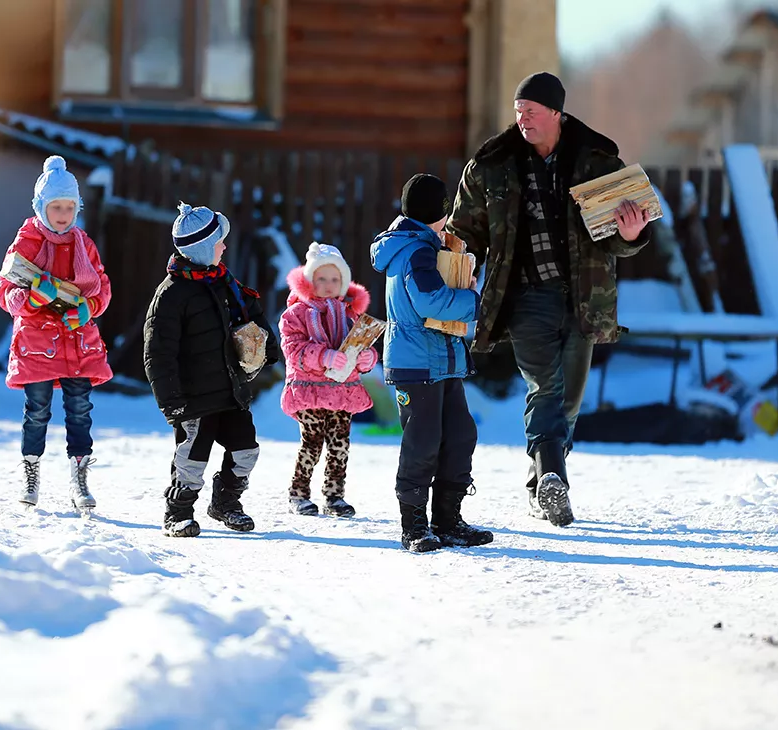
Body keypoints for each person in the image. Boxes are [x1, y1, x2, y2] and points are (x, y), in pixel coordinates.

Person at [445, 72, 651, 526]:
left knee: (570, 399)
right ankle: (554, 474)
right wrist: (445, 265)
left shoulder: (598, 162)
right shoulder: (492, 165)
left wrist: (632, 233)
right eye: (519, 113)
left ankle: (541, 479)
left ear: (557, 114)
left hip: (584, 297)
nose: (524, 121)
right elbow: (463, 233)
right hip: (524, 296)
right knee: (545, 386)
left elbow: (619, 238)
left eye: (533, 113)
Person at [370, 174, 495, 552]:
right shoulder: (416, 250)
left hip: (441, 361)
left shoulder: (422, 245)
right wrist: (474, 303)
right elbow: (429, 301)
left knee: (459, 436)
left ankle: (448, 519)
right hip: (417, 363)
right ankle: (414, 525)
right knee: (422, 443)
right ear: (438, 212)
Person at [143, 202, 280, 537]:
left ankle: (226, 503)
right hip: (193, 397)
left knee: (246, 449)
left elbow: (253, 318)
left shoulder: (225, 282)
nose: (225, 246)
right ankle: (178, 512)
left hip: (229, 390)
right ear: (203, 248)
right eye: (219, 242)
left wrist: (267, 348)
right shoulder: (172, 295)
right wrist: (170, 399)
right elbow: (157, 353)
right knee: (192, 459)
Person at [0, 156, 113, 511]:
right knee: (38, 411)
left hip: (78, 342)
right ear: (40, 207)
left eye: (69, 207)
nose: (63, 214)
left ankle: (79, 479)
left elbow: (102, 287)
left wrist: (89, 308)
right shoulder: (26, 242)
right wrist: (34, 297)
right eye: (55, 207)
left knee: (80, 410)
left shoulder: (84, 244)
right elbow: (6, 293)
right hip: (38, 346)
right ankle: (31, 474)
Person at [278, 243, 377, 518]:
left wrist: (367, 358)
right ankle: (298, 494)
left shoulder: (350, 314)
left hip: (342, 393)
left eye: (335, 279)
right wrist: (324, 356)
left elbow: (358, 345)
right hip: (309, 391)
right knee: (312, 441)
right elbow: (293, 350)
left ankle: (334, 496)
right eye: (321, 279)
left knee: (339, 445)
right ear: (309, 281)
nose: (328, 285)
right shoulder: (296, 314)